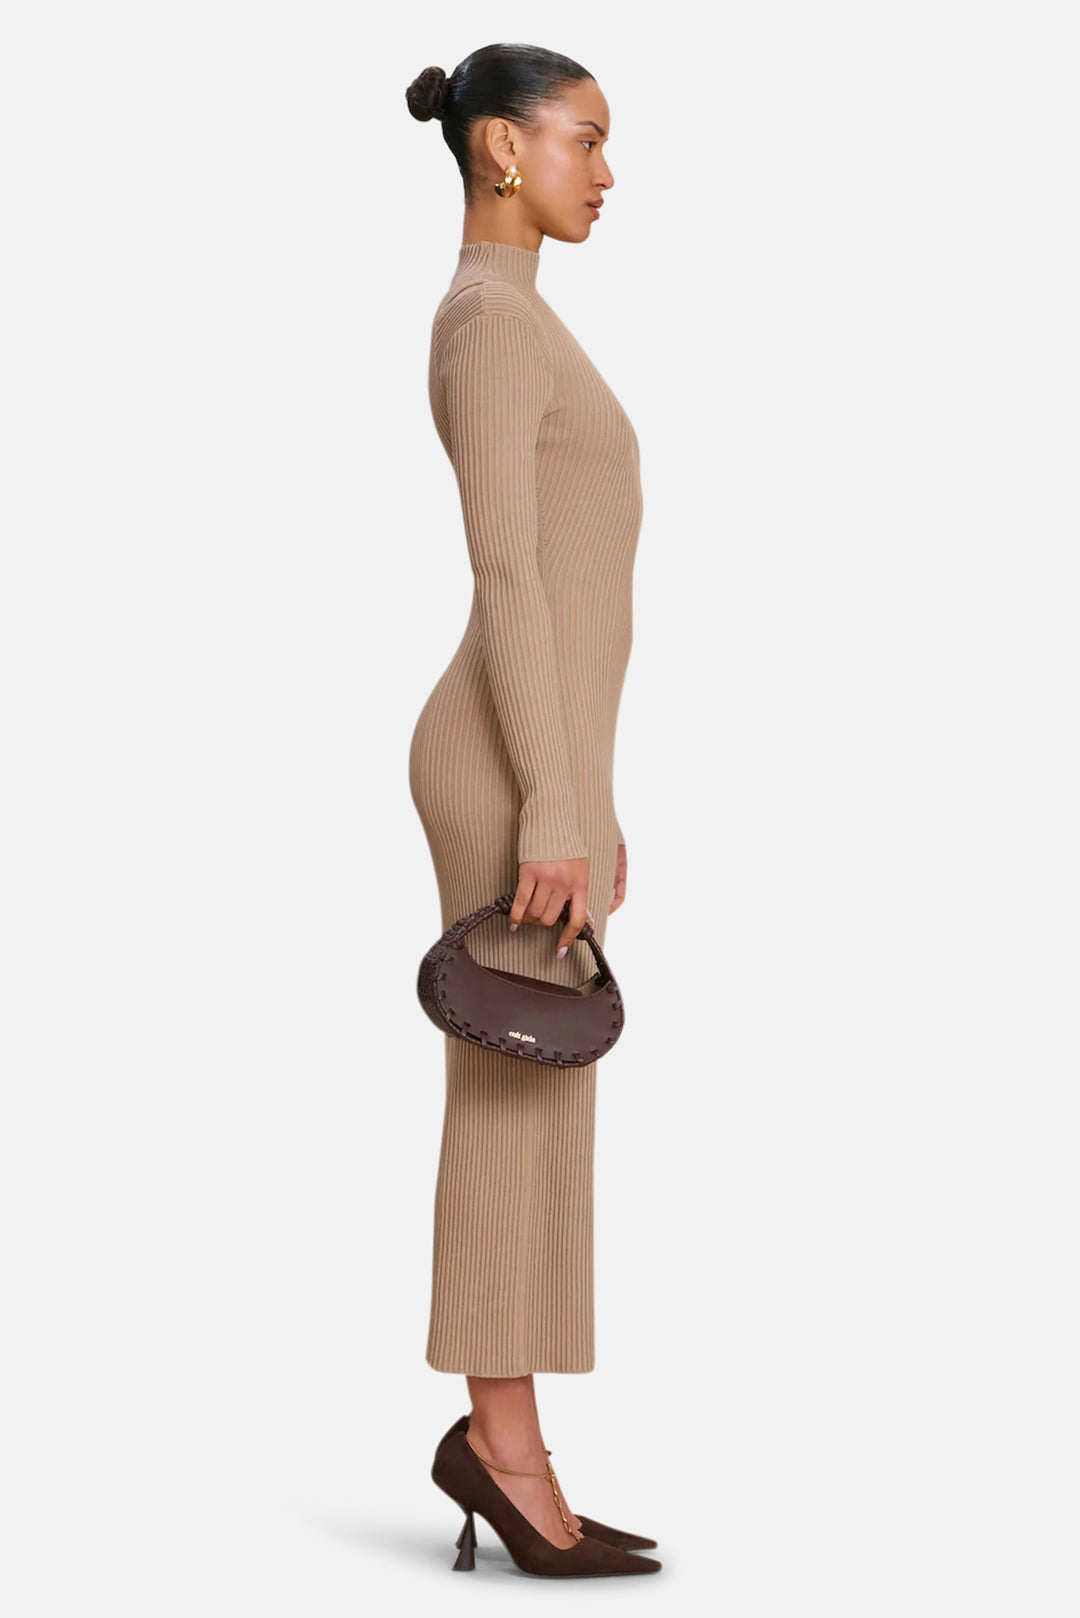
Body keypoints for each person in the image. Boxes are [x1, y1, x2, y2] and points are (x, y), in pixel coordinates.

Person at [406, 43, 658, 1578]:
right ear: (502, 147)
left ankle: (514, 1443)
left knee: (546, 1088)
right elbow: (506, 571)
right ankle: (504, 1453)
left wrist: (591, 787)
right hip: (506, 762)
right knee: (515, 1093)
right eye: (587, 140)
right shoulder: (488, 323)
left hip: (546, 758)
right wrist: (551, 793)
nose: (608, 173)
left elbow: (575, 594)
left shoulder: (527, 320)